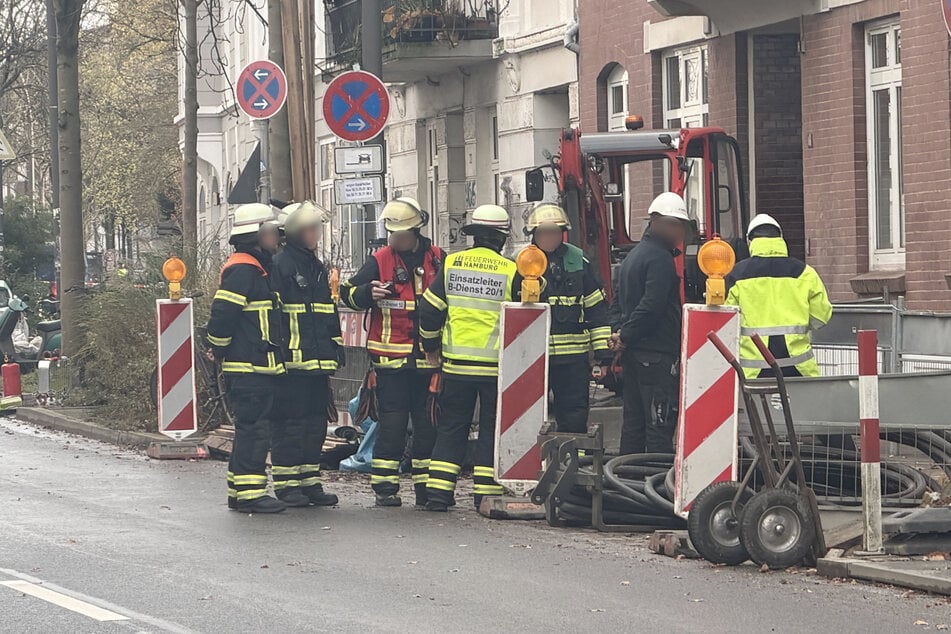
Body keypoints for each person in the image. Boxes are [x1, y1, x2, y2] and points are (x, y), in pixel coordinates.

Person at [341, 197, 445, 508]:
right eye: (392, 234)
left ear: (415, 232)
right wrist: (366, 292)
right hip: (391, 362)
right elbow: (347, 293)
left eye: (400, 234)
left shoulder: (438, 259)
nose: (395, 240)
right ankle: (385, 488)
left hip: (428, 361)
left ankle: (427, 490)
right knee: (392, 426)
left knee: (428, 427)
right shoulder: (380, 260)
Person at [418, 204, 520, 512]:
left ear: (474, 234)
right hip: (495, 367)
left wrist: (431, 347)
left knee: (452, 426)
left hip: (456, 365)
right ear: (502, 238)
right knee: (490, 428)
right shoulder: (510, 270)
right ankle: (485, 496)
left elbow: (430, 310)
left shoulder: (452, 264)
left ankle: (438, 494)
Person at [206, 203, 286, 513]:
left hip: (256, 365)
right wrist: (218, 348)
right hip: (249, 367)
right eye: (272, 231)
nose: (276, 237)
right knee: (254, 430)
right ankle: (250, 494)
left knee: (251, 429)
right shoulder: (244, 269)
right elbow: (223, 315)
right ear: (257, 235)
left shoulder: (257, 267)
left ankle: (240, 491)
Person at [270, 201, 342, 508]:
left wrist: (335, 347)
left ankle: (310, 481)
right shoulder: (280, 266)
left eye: (316, 228)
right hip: (292, 364)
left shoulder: (316, 266)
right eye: (310, 229)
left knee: (315, 424)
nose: (316, 234)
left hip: (318, 362)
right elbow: (274, 317)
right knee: (291, 424)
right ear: (294, 233)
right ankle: (287, 485)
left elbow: (327, 313)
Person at [610, 192, 689, 455]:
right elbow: (652, 306)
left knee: (634, 425)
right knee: (659, 423)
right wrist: (625, 336)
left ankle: (626, 475)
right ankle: (656, 478)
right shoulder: (660, 259)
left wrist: (620, 334)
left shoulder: (634, 257)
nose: (678, 231)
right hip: (657, 356)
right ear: (655, 221)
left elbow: (618, 302)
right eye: (673, 224)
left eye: (680, 225)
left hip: (634, 356)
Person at [525, 203, 611, 433]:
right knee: (528, 417)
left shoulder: (578, 261)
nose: (549, 237)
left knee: (574, 416)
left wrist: (602, 356)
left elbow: (596, 309)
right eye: (544, 232)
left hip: (573, 360)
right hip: (533, 357)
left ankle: (575, 454)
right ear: (534, 234)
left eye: (554, 232)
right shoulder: (522, 262)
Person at [726, 214, 832, 378]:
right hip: (799, 367)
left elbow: (726, 321)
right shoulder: (805, 273)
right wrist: (802, 326)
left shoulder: (737, 275)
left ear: (749, 241)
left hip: (754, 371)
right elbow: (821, 316)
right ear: (781, 238)